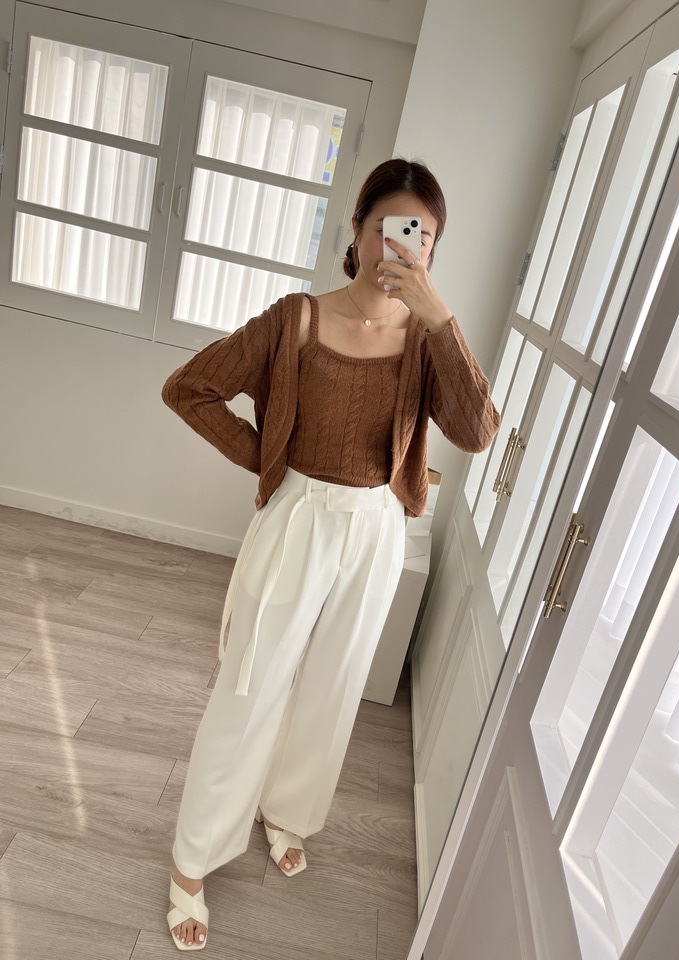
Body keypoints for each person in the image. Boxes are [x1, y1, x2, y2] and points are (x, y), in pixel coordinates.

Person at [161, 157, 500, 950]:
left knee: (333, 688)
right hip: (298, 521)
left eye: (423, 237)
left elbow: (478, 431)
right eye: (390, 228)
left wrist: (440, 316)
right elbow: (189, 388)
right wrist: (268, 459)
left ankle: (286, 811)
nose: (404, 247)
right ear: (357, 229)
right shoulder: (297, 320)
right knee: (249, 688)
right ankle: (191, 860)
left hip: (376, 529)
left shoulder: (427, 342)